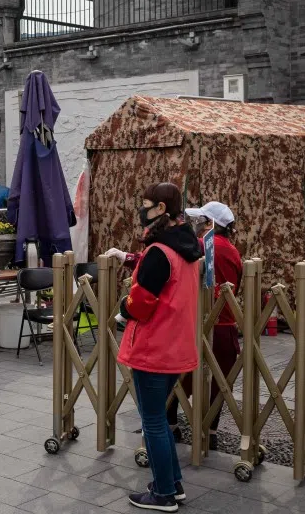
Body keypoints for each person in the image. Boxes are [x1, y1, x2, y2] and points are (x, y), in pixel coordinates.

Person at [116, 182, 202, 512]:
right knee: (160, 421)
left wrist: (123, 307)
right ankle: (173, 484)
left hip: (153, 346)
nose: (142, 210)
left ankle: (164, 493)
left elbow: (141, 302)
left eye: (147, 204)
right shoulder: (187, 246)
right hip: (177, 346)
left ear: (161, 210)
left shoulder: (159, 252)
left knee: (152, 422)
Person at [170, 201, 242, 450]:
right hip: (227, 326)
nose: (197, 225)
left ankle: (171, 427)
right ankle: (210, 432)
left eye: (201, 220)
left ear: (211, 224)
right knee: (218, 383)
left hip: (197, 326)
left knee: (178, 378)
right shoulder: (233, 251)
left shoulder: (198, 246)